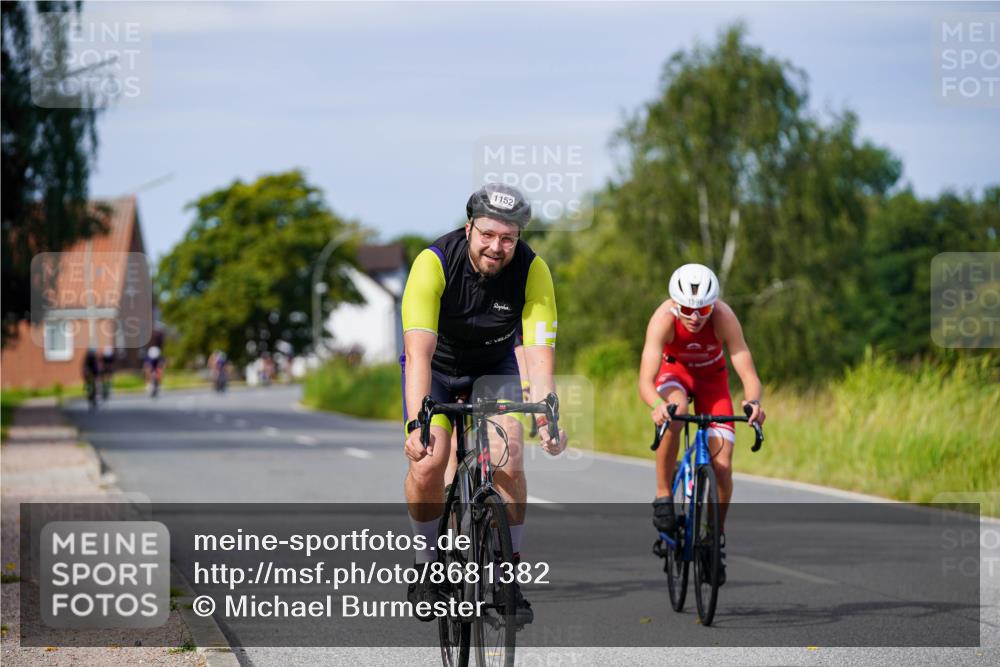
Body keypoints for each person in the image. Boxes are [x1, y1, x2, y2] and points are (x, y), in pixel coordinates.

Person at [400, 182, 564, 625]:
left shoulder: (533, 270)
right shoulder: (433, 263)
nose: (497, 246)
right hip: (437, 367)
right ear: (470, 226)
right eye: (488, 234)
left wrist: (548, 415)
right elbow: (418, 354)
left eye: (508, 238)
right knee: (429, 463)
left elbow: (538, 351)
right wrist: (418, 424)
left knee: (509, 456)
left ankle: (508, 578)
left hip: (493, 370)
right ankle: (427, 563)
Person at [638, 263, 766, 586]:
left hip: (713, 380)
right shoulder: (663, 319)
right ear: (674, 304)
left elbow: (747, 372)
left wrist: (753, 402)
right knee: (676, 410)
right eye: (687, 310)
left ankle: (713, 537)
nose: (695, 317)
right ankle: (663, 492)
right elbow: (645, 380)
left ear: (713, 305)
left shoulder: (724, 317)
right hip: (674, 375)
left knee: (722, 468)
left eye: (703, 309)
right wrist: (657, 405)